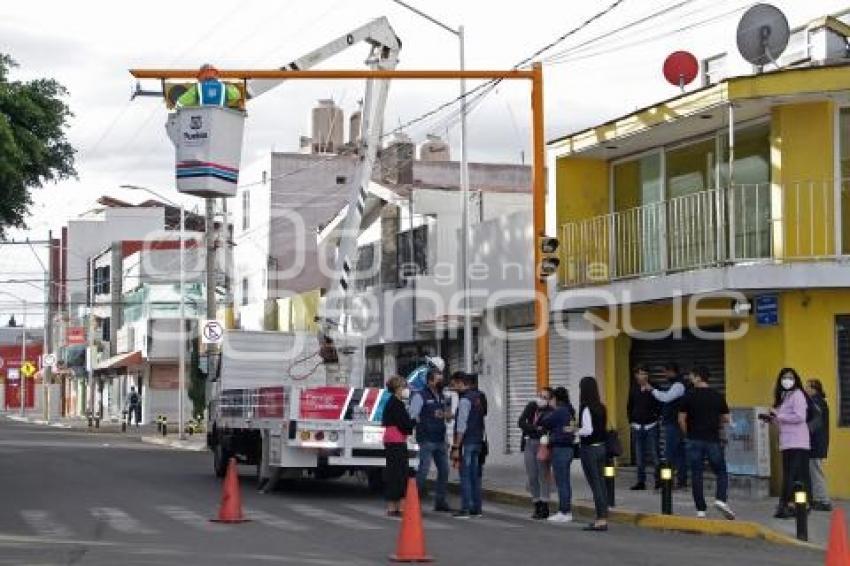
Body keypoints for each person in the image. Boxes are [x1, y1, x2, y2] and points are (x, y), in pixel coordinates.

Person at [678, 366, 735, 520]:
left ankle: (700, 510)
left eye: (691, 376)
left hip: (694, 439)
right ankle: (721, 499)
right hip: (712, 440)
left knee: (697, 474)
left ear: (698, 377)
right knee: (721, 471)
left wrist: (687, 434)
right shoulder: (717, 396)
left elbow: (681, 419)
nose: (690, 378)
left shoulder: (688, 396)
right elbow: (726, 418)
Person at [766, 368, 812, 519]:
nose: (787, 380)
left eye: (790, 377)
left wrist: (778, 414)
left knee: (793, 476)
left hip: (798, 442)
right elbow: (785, 418)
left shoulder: (798, 394)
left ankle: (790, 505)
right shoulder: (786, 396)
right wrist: (772, 418)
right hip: (788, 442)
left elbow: (800, 416)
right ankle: (793, 505)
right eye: (784, 377)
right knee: (791, 476)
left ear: (795, 379)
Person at [409, 366, 452, 512]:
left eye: (441, 379)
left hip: (440, 438)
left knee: (445, 470)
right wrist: (422, 422)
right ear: (429, 381)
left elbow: (448, 416)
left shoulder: (443, 396)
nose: (441, 382)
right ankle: (415, 502)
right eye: (438, 379)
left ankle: (440, 501)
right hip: (426, 438)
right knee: (423, 470)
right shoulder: (420, 395)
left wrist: (446, 414)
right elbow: (412, 414)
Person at [451, 373, 486, 519]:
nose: (453, 387)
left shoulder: (465, 400)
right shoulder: (477, 398)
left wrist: (456, 446)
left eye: (454, 384)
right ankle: (476, 509)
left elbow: (461, 425)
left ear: (460, 383)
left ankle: (465, 509)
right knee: (474, 477)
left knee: (465, 476)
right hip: (478, 441)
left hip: (467, 442)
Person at [540, 387, 577, 523]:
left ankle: (564, 511)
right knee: (565, 481)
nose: (549, 401)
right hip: (568, 448)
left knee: (561, 482)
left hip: (560, 448)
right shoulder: (570, 410)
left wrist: (546, 408)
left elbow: (544, 423)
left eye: (551, 398)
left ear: (556, 398)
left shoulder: (560, 411)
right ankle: (566, 510)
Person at [577, 376, 609, 532]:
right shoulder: (601, 407)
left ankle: (601, 519)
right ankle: (603, 516)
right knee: (601, 484)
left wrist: (575, 430)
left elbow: (588, 430)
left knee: (595, 484)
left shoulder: (586, 407)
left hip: (589, 449)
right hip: (602, 448)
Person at [518, 387, 555, 519]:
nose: (540, 399)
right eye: (539, 395)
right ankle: (536, 503)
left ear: (550, 400)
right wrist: (535, 428)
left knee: (543, 475)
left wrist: (535, 429)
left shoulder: (551, 411)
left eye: (544, 397)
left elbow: (546, 429)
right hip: (529, 443)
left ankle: (544, 505)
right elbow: (521, 422)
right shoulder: (531, 406)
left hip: (543, 445)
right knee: (532, 475)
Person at [382, 376, 416, 517]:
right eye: (404, 387)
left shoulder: (391, 403)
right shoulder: (397, 404)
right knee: (400, 473)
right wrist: (414, 421)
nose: (406, 390)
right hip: (397, 441)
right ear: (397, 389)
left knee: (393, 472)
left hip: (391, 440)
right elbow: (405, 424)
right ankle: (399, 507)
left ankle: (393, 506)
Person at [651, 362, 688, 488]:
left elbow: (666, 398)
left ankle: (667, 482)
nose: (665, 374)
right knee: (679, 453)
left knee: (670, 453)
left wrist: (653, 390)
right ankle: (681, 481)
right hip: (673, 423)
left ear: (673, 371)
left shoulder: (678, 385)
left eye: (666, 372)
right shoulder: (676, 384)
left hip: (674, 424)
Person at [628, 365, 660, 490]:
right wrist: (631, 421)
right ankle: (641, 482)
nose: (643, 376)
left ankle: (659, 481)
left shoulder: (654, 387)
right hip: (637, 426)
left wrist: (657, 416)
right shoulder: (633, 388)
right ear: (636, 375)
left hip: (651, 425)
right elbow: (629, 406)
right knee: (639, 455)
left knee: (655, 454)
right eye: (641, 373)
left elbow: (660, 402)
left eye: (645, 373)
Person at [806, 379, 831, 511]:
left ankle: (824, 501)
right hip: (818, 443)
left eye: (807, 387)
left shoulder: (816, 402)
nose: (805, 389)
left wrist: (805, 430)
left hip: (815, 444)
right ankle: (818, 499)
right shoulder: (820, 401)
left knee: (816, 472)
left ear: (814, 389)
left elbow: (815, 423)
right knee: (814, 472)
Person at [176, 64, 242, 108]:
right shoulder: (224, 87)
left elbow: (180, 103)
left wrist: (194, 104)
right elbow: (237, 95)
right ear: (216, 75)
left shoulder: (197, 87)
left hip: (202, 122)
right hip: (221, 121)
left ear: (201, 76)